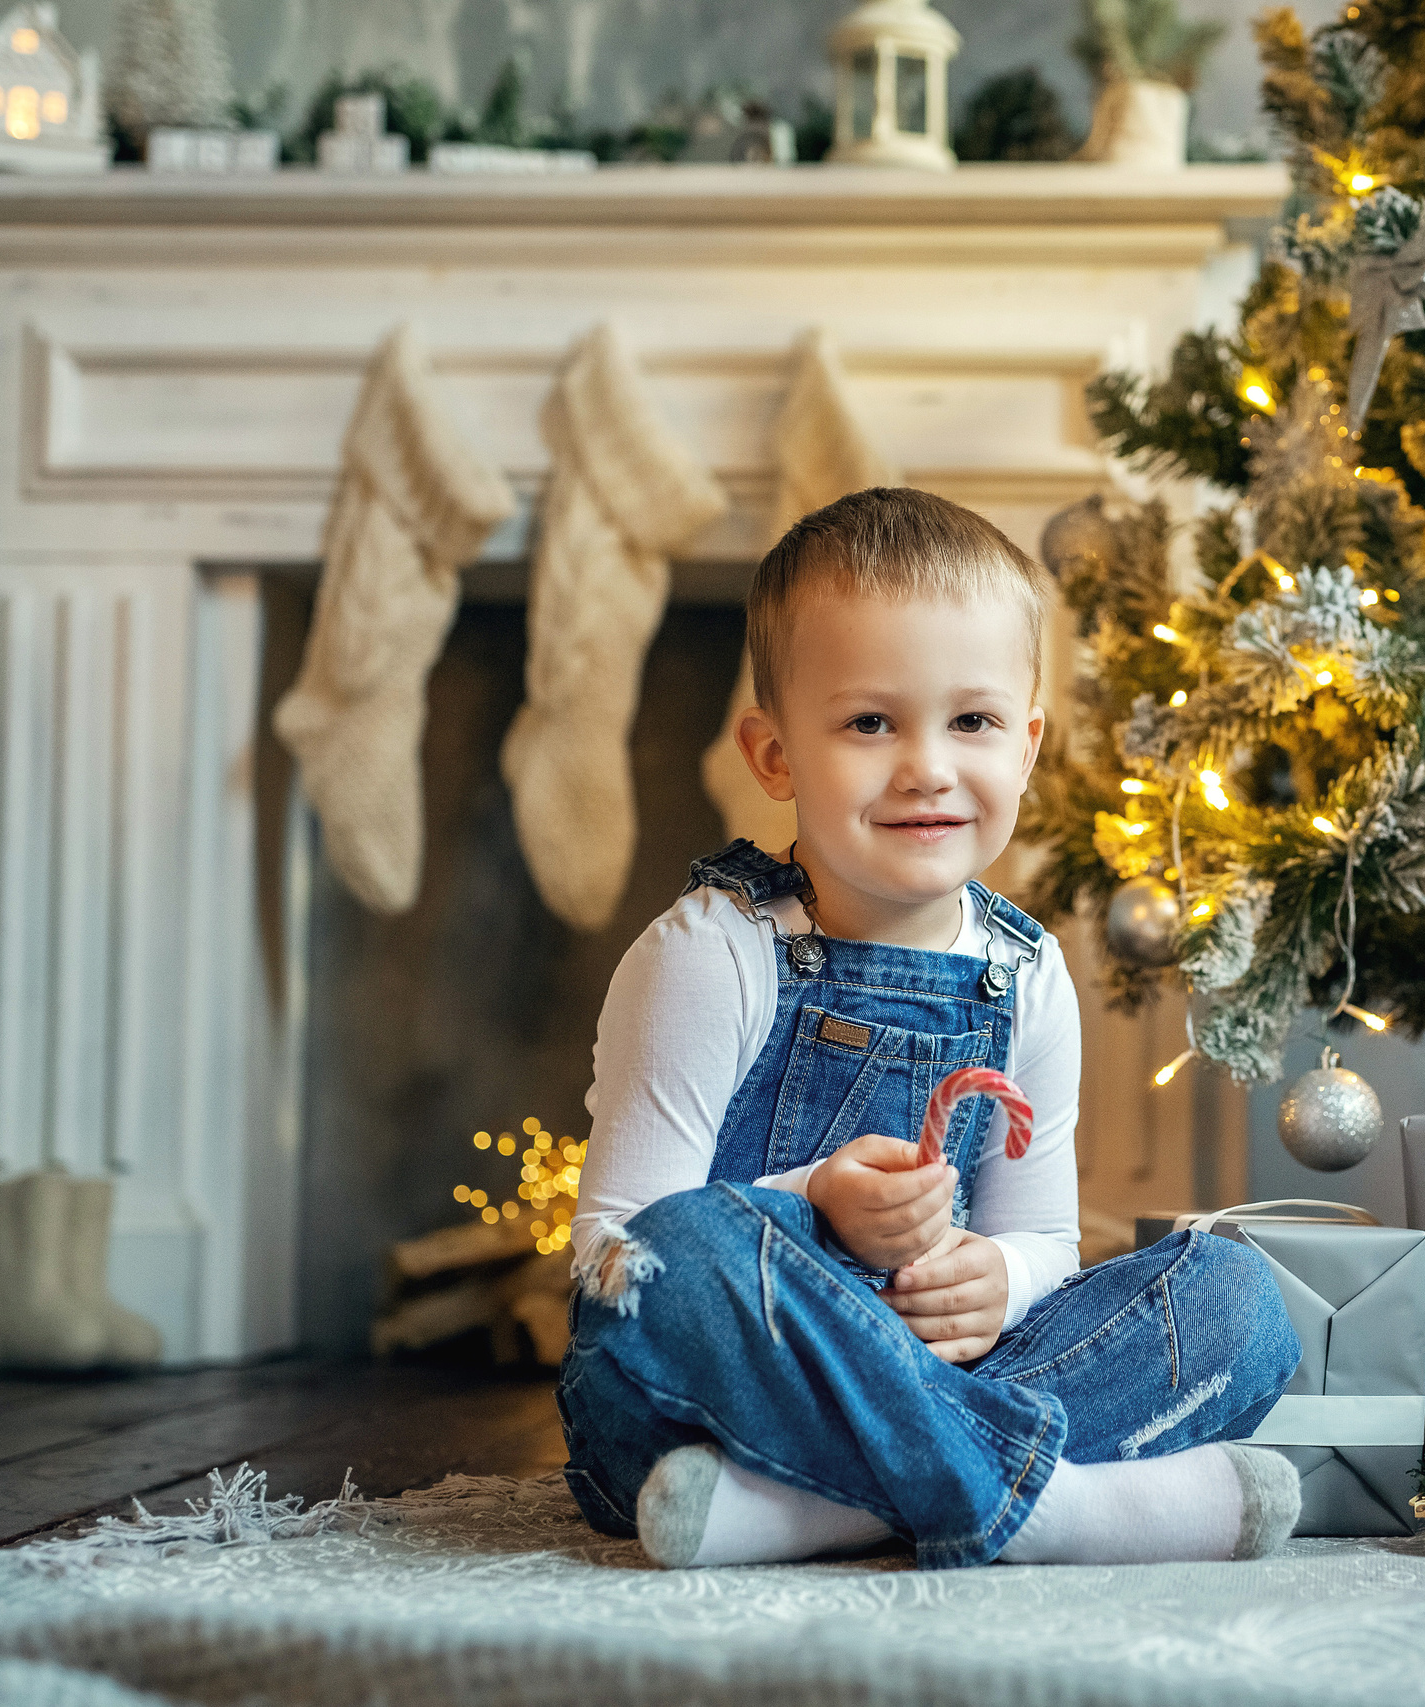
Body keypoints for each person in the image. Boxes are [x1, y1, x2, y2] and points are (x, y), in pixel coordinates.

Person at [555, 486, 1303, 1570]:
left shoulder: (1027, 972)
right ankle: (1050, 1509)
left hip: (931, 1384)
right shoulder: (711, 952)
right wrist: (813, 1204)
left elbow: (1045, 1239)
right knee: (687, 1249)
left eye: (972, 721)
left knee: (1237, 1300)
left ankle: (829, 1514)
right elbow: (614, 1257)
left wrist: (1000, 1278)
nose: (928, 767)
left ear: (1028, 741)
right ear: (773, 756)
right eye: (870, 722)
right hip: (704, 1407)